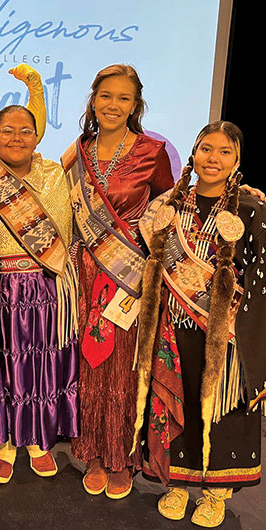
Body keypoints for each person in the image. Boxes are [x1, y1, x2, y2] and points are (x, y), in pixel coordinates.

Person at [133, 121, 266, 527]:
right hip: (175, 325)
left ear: (237, 161)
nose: (213, 159)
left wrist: (238, 315)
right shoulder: (169, 206)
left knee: (222, 407)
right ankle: (176, 483)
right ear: (193, 155)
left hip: (226, 333)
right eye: (205, 149)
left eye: (224, 152)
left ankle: (216, 492)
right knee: (176, 400)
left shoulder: (252, 211)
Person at [61, 64, 174, 499]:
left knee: (125, 368)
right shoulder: (77, 153)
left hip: (128, 277)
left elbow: (172, 210)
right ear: (93, 100)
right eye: (105, 96)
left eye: (123, 98)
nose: (113, 105)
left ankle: (123, 455)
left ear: (135, 105)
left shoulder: (153, 151)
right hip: (85, 273)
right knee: (87, 364)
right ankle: (91, 450)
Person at [0, 106, 79, 483]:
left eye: (25, 131)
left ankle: (39, 439)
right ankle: (2, 442)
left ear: (38, 135)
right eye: (7, 130)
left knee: (43, 364)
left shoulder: (56, 172)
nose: (16, 138)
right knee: (4, 366)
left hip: (47, 286)